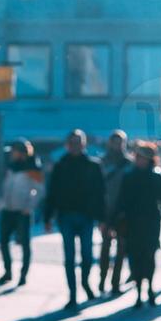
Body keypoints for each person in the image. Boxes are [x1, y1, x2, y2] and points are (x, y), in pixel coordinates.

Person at [41, 130, 104, 310]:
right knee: (69, 258)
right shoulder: (60, 166)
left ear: (84, 145)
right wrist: (48, 217)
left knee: (87, 256)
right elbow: (52, 192)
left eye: (78, 143)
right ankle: (73, 294)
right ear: (67, 145)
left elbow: (100, 194)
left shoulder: (93, 165)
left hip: (86, 217)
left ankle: (84, 282)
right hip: (66, 216)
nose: (75, 146)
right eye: (72, 143)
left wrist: (102, 218)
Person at [112, 142, 161, 308]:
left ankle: (150, 289)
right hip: (132, 223)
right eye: (138, 157)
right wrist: (112, 222)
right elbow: (121, 201)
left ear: (149, 159)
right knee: (135, 258)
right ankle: (139, 291)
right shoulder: (129, 176)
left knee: (149, 257)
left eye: (143, 157)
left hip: (151, 223)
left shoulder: (157, 176)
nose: (139, 160)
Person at [0, 140, 42, 287]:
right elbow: (4, 188)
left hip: (23, 212)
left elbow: (40, 190)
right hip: (7, 210)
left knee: (25, 244)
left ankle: (23, 274)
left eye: (14, 151)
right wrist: (0, 204)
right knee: (3, 242)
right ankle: (8, 271)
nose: (12, 154)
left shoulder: (33, 168)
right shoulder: (9, 167)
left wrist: (30, 206)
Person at [97, 130, 130, 295]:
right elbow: (97, 189)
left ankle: (115, 282)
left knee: (122, 249)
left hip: (123, 212)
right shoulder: (102, 162)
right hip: (106, 210)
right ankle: (102, 279)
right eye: (115, 142)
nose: (118, 145)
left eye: (120, 142)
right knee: (105, 247)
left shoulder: (128, 163)